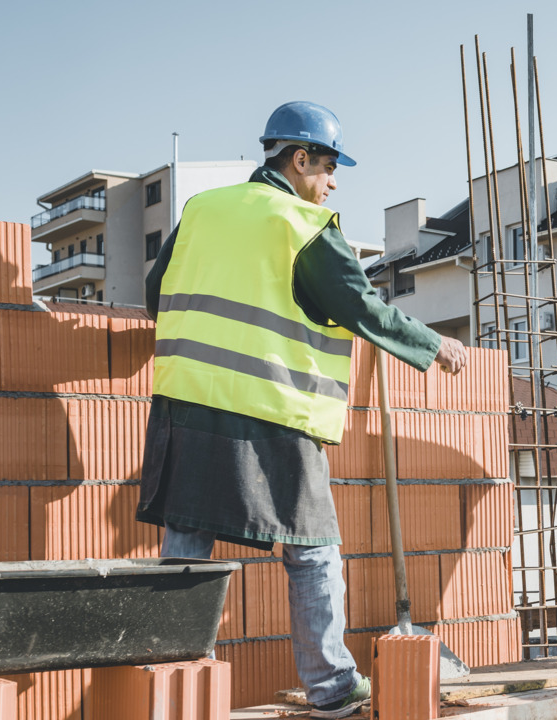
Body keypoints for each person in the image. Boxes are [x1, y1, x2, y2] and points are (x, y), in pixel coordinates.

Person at [136, 101, 467, 719]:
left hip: (187, 402)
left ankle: (170, 681)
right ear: (300, 158)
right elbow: (362, 307)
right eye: (329, 166)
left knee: (186, 541)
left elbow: (158, 294)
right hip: (271, 406)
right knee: (313, 548)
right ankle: (332, 687)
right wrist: (435, 345)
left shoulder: (200, 209)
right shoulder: (303, 223)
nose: (333, 181)